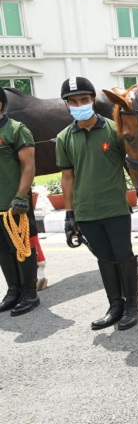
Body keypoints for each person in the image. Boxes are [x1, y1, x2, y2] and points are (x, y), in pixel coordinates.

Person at [56, 77, 138, 330]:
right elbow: (67, 177)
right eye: (73, 101)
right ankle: (115, 305)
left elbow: (133, 164)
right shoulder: (64, 137)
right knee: (104, 259)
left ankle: (133, 306)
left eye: (84, 99)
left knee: (123, 256)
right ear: (67, 106)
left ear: (92, 100)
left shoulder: (114, 129)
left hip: (115, 208)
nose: (79, 104)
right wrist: (69, 214)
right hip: (86, 211)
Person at [0, 86, 39, 316]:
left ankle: (29, 294)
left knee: (22, 248)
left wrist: (20, 196)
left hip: (14, 203)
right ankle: (13, 291)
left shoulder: (16, 130)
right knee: (3, 250)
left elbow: (29, 166)